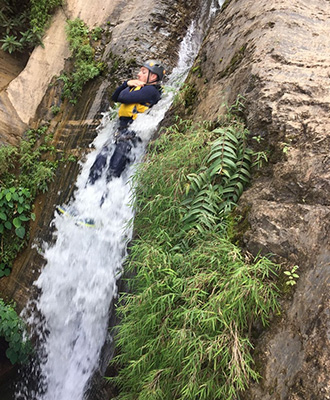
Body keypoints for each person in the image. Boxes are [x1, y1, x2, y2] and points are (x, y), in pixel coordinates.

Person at [88, 60, 165, 184]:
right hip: (120, 132)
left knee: (112, 173)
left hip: (131, 137)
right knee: (97, 167)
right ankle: (89, 196)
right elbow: (115, 96)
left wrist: (128, 85)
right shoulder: (140, 88)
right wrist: (126, 84)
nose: (139, 74)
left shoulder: (152, 91)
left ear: (154, 76)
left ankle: (106, 201)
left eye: (143, 72)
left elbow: (123, 97)